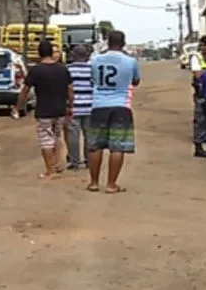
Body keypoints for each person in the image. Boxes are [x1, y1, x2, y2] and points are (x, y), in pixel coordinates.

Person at [87, 30, 141, 193]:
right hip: (121, 106)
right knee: (117, 147)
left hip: (98, 105)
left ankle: (94, 182)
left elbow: (92, 80)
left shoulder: (95, 60)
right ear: (123, 43)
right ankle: (111, 184)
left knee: (95, 146)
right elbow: (136, 81)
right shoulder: (130, 62)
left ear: (108, 42)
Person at [14, 40, 73, 180]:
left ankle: (50, 170)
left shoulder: (36, 70)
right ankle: (58, 165)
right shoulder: (63, 69)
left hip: (44, 111)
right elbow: (70, 89)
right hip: (60, 110)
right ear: (52, 53)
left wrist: (17, 107)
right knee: (57, 136)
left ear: (39, 53)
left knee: (46, 140)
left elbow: (25, 90)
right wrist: (70, 105)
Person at [65, 45, 92, 170]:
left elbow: (65, 88)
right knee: (89, 135)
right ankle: (89, 161)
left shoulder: (67, 69)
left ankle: (75, 162)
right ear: (87, 55)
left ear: (73, 55)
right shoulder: (92, 69)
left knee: (73, 135)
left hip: (73, 107)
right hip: (90, 106)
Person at [189, 35, 206, 158]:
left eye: (205, 45)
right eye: (201, 45)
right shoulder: (196, 57)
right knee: (200, 119)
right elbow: (197, 75)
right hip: (201, 92)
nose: (203, 48)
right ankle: (198, 146)